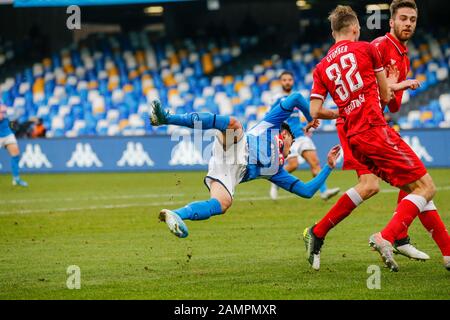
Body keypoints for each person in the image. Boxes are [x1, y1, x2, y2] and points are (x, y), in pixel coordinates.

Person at [304, 5, 449, 272]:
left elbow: (314, 110)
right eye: (403, 18)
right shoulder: (374, 47)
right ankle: (390, 236)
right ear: (358, 28)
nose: (408, 23)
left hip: (353, 128)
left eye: (413, 19)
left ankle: (320, 231)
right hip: (370, 127)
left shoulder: (321, 66)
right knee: (423, 186)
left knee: (384, 186)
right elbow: (386, 97)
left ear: (332, 30)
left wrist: (341, 109)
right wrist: (394, 85)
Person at [149, 93, 341, 238]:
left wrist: (329, 167)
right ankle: (166, 118)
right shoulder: (271, 125)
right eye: (292, 143)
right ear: (285, 135)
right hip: (236, 147)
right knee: (234, 124)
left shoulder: (276, 170)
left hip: (230, 172)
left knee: (223, 203)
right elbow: (296, 98)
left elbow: (306, 191)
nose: (291, 150)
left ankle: (176, 214)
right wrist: (310, 117)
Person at [269, 71, 340, 201]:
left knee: (314, 162)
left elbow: (306, 113)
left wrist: (306, 124)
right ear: (281, 82)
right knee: (293, 165)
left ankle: (324, 191)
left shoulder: (298, 98)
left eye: (289, 79)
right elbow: (272, 118)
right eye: (284, 80)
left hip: (301, 135)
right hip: (288, 138)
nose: (287, 82)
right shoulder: (277, 99)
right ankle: (275, 181)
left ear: (293, 81)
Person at [0, 100, 28, 187]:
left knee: (15, 154)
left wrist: (12, 128)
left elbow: (9, 120)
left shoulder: (3, 102)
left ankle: (16, 179)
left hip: (7, 133)